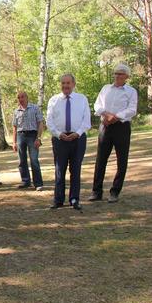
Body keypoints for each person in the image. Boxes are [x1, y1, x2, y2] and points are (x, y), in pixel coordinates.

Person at [88, 64, 138, 203]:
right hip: (105, 126)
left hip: (121, 127)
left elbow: (132, 109)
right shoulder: (105, 88)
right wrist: (106, 114)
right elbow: (97, 105)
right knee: (100, 159)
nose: (117, 76)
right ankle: (96, 191)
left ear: (127, 76)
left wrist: (115, 116)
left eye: (121, 74)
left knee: (122, 160)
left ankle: (115, 191)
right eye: (116, 73)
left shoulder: (131, 91)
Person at [46, 74, 91, 210]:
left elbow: (86, 120)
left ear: (73, 84)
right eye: (63, 83)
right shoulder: (54, 100)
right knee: (60, 170)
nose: (65, 86)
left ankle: (74, 199)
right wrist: (59, 134)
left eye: (68, 83)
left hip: (78, 138)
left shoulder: (82, 99)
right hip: (60, 139)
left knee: (75, 169)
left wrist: (77, 133)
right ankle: (58, 199)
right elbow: (49, 121)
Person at [12, 91, 44, 191]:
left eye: (22, 97)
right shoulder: (16, 111)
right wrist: (14, 142)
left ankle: (38, 183)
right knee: (22, 160)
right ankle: (25, 181)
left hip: (32, 135)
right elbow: (14, 127)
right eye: (18, 97)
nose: (20, 99)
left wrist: (38, 138)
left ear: (27, 97)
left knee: (34, 160)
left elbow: (40, 123)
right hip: (21, 135)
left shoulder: (34, 108)